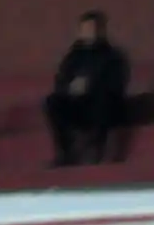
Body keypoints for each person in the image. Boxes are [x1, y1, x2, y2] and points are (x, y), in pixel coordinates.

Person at [44, 10, 130, 166]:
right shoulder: (73, 58)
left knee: (102, 100)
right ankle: (65, 153)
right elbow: (60, 82)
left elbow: (117, 85)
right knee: (53, 102)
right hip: (79, 105)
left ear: (101, 31)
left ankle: (97, 149)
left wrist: (90, 86)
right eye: (85, 30)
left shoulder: (113, 56)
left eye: (92, 29)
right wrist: (70, 89)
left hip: (104, 106)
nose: (88, 33)